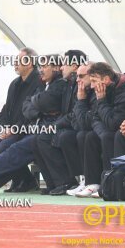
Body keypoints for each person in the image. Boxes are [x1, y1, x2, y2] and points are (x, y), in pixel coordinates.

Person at [0, 54, 66, 196]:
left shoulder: (48, 83)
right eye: (41, 66)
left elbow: (36, 109)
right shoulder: (17, 83)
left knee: (8, 145)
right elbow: (19, 108)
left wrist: (15, 128)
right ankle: (20, 180)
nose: (41, 70)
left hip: (34, 130)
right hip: (32, 129)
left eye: (45, 66)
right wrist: (2, 127)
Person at [74, 62, 125, 198]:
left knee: (108, 137)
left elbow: (113, 123)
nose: (91, 85)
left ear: (105, 79)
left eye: (94, 81)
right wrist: (82, 101)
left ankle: (108, 182)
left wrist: (101, 101)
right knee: (89, 136)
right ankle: (93, 183)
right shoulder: (102, 89)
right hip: (110, 128)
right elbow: (91, 119)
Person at [0, 47, 42, 192]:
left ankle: (14, 181)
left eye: (19, 60)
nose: (15, 63)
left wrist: (14, 130)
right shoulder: (14, 84)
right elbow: (6, 111)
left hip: (27, 131)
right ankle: (23, 179)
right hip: (10, 130)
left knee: (4, 145)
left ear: (30, 62)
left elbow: (32, 114)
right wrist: (2, 128)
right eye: (15, 60)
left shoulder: (39, 82)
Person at [35, 50, 86, 195]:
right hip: (69, 124)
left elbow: (74, 113)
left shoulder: (79, 84)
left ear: (74, 66)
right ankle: (53, 183)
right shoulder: (69, 83)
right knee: (37, 139)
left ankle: (66, 182)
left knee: (48, 136)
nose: (61, 67)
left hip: (77, 126)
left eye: (64, 64)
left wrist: (55, 125)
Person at [65, 63, 94, 196]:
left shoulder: (96, 91)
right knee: (67, 136)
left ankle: (92, 181)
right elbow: (75, 120)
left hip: (98, 130)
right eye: (77, 76)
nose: (77, 80)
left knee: (84, 136)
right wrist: (81, 100)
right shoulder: (82, 91)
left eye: (81, 76)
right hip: (86, 128)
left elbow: (85, 123)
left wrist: (81, 101)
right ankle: (83, 180)